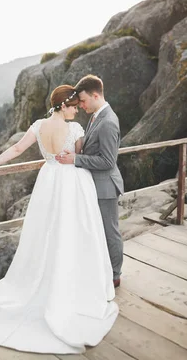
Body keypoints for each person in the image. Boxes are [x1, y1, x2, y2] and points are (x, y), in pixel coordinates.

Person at [0, 84, 118, 354]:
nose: (77, 110)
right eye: (74, 106)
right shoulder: (76, 130)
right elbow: (81, 157)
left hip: (49, 180)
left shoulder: (38, 126)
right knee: (76, 232)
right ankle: (74, 285)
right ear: (63, 105)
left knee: (47, 233)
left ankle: (47, 279)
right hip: (73, 182)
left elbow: (17, 149)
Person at [56, 75, 124, 288]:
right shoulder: (96, 116)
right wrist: (75, 149)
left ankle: (114, 275)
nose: (81, 105)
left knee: (109, 230)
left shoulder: (108, 122)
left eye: (84, 101)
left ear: (96, 95)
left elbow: (107, 160)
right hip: (93, 184)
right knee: (97, 230)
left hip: (105, 186)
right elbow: (91, 146)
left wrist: (75, 159)